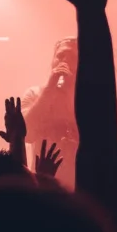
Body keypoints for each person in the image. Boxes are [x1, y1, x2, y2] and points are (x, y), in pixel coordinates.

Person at [20, 38, 79, 184]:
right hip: (44, 187)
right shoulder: (34, 94)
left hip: (83, 189)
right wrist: (50, 89)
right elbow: (25, 134)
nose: (64, 61)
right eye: (60, 56)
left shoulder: (98, 100)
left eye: (72, 57)